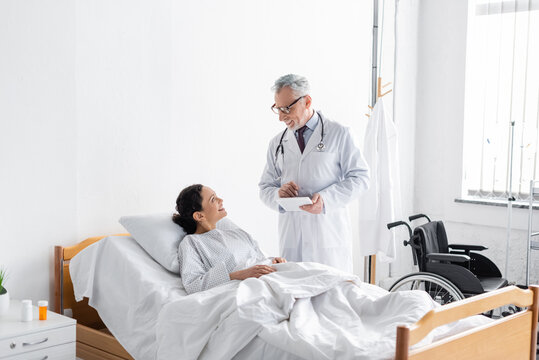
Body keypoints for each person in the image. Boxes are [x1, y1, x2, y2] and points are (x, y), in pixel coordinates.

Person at [259, 74, 370, 273]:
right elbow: (265, 187)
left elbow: (360, 177)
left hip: (327, 237)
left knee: (332, 299)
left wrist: (326, 200)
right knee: (295, 296)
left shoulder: (339, 133)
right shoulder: (277, 143)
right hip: (292, 238)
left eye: (287, 109)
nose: (281, 117)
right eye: (277, 109)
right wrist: (278, 195)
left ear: (307, 101)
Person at [173, 184, 286, 294]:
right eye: (213, 199)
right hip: (248, 288)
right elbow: (193, 285)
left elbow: (259, 258)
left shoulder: (237, 233)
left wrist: (274, 260)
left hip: (274, 277)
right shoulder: (192, 243)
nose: (221, 200)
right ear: (199, 216)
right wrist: (238, 275)